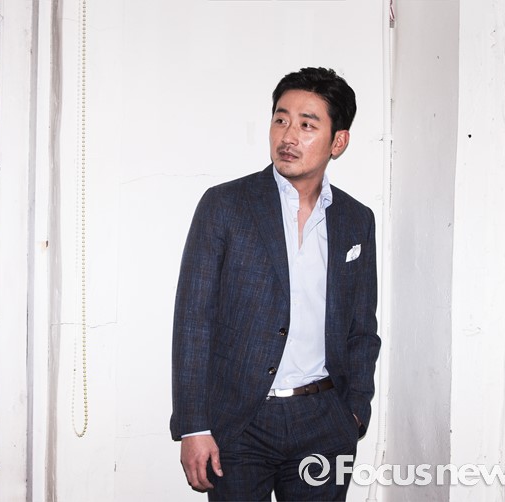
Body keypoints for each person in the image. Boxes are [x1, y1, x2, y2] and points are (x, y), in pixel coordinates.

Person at [170, 67, 381, 501]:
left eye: (307, 124)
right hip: (240, 423)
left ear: (338, 141)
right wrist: (193, 426)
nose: (288, 135)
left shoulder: (356, 220)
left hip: (325, 420)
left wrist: (354, 412)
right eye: (281, 119)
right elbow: (193, 321)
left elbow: (362, 327)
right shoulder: (226, 205)